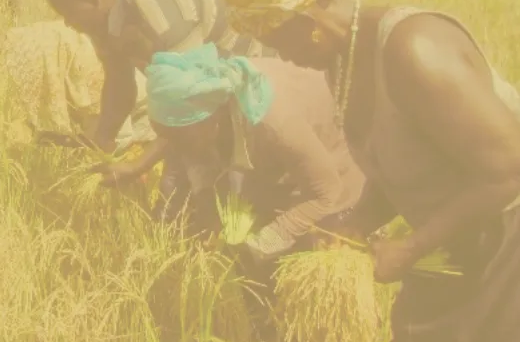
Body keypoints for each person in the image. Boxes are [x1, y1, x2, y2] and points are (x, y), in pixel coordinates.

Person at [220, 0, 520, 342]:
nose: (283, 58)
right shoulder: (343, 59)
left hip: (504, 237)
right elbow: (401, 157)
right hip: (456, 236)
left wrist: (411, 246)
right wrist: (360, 219)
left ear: (310, 24)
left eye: (280, 43)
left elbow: (508, 170)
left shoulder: (414, 50)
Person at [100, 43, 364, 263]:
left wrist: (265, 242)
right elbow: (185, 145)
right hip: (282, 159)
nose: (174, 148)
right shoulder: (201, 115)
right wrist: (209, 212)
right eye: (167, 135)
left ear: (211, 122)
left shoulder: (273, 124)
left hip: (335, 167)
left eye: (179, 138)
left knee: (308, 258)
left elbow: (325, 191)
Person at [40, 0, 272, 154]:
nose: (68, 23)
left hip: (254, 82)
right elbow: (119, 83)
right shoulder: (104, 23)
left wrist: (139, 165)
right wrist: (102, 141)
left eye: (69, 14)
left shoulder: (162, 16)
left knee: (220, 167)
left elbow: (192, 106)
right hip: (203, 93)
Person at [5, 19, 155, 153]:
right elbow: (106, 142)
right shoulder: (137, 116)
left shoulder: (134, 86)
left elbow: (109, 141)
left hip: (73, 47)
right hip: (93, 73)